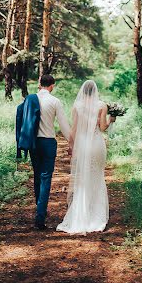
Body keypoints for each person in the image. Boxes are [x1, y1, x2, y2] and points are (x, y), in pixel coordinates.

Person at [57, 80, 115, 235]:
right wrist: (111, 120)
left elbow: (74, 129)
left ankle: (81, 213)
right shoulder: (102, 105)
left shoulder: (78, 106)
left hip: (82, 144)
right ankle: (96, 214)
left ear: (83, 91)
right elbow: (102, 128)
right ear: (95, 91)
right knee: (97, 175)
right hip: (96, 144)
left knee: (83, 179)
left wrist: (71, 146)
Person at [16, 74, 71, 230]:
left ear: (40, 84)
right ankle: (40, 216)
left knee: (37, 176)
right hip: (48, 143)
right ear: (52, 85)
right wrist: (71, 143)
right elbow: (64, 126)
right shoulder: (55, 102)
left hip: (33, 143)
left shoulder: (29, 99)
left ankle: (39, 209)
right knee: (46, 178)